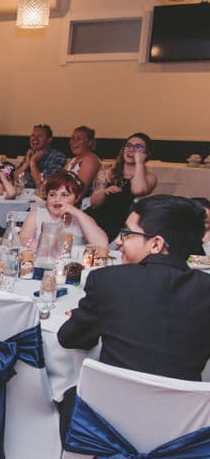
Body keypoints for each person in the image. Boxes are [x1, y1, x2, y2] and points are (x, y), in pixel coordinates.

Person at [56, 195, 210, 439]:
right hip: (183, 430)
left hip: (107, 427)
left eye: (127, 234)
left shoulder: (108, 281)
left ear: (156, 244)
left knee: (68, 396)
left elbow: (70, 338)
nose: (118, 242)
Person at [86, 132, 159, 241]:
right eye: (128, 146)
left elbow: (137, 190)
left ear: (147, 153)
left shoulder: (150, 178)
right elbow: (94, 203)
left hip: (122, 226)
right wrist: (104, 191)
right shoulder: (107, 172)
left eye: (138, 147)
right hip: (97, 221)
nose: (131, 150)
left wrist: (139, 162)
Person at [18, 170, 107, 248]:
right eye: (52, 195)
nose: (57, 200)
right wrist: (50, 248)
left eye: (64, 195)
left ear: (76, 198)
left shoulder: (82, 219)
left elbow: (102, 244)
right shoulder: (37, 215)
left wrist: (77, 212)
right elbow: (24, 239)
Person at [13, 124, 66, 189]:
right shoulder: (30, 155)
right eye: (33, 135)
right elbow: (14, 179)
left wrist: (33, 163)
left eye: (39, 136)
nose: (35, 139)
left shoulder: (58, 158)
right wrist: (26, 163)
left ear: (49, 140)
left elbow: (44, 187)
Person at [64, 125, 101, 198]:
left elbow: (80, 191)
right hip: (67, 198)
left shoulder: (90, 159)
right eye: (72, 138)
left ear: (89, 142)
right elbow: (58, 180)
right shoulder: (73, 160)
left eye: (79, 138)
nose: (74, 142)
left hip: (82, 204)